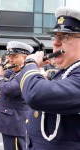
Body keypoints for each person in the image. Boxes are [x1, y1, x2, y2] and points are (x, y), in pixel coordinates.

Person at [15, 7, 80, 149]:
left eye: (64, 37)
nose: (56, 43)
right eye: (55, 37)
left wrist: (30, 64)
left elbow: (35, 94)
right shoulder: (64, 72)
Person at [0, 41, 33, 150]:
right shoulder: (16, 71)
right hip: (10, 120)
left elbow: (9, 89)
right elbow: (7, 76)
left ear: (25, 58)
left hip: (15, 121)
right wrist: (2, 69)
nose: (11, 60)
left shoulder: (26, 72)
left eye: (14, 56)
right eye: (9, 56)